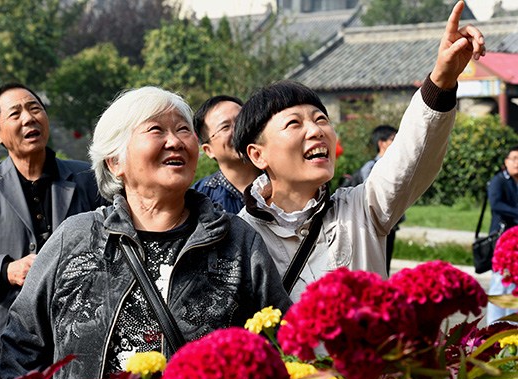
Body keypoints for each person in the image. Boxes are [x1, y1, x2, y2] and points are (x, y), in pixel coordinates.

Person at [0, 86, 292, 379]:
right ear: (115, 161)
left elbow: (282, 347)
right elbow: (22, 344)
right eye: (156, 130)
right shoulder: (74, 239)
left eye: (183, 129)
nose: (175, 141)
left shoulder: (236, 240)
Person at [233, 0, 486, 301]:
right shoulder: (239, 238)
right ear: (257, 154)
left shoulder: (363, 208)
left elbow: (412, 155)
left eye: (321, 119)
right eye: (294, 123)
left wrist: (442, 81)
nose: (316, 130)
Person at [0, 83, 104, 367]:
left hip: (81, 336)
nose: (29, 118)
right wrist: (7, 271)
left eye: (35, 108)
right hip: (9, 342)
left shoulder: (87, 178)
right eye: (15, 114)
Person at [344, 125, 403, 275]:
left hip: (390, 225)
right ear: (381, 143)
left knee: (385, 268)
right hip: (371, 226)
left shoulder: (394, 166)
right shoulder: (372, 167)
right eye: (393, 139)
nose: (397, 143)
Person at [192, 95, 260, 213]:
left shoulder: (280, 172)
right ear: (209, 150)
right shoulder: (200, 200)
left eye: (241, 120)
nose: (239, 130)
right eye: (225, 127)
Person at [486, 145, 518, 324]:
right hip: (504, 242)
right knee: (500, 284)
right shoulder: (499, 181)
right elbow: (496, 204)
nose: (517, 163)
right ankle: (493, 328)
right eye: (514, 158)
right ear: (506, 162)